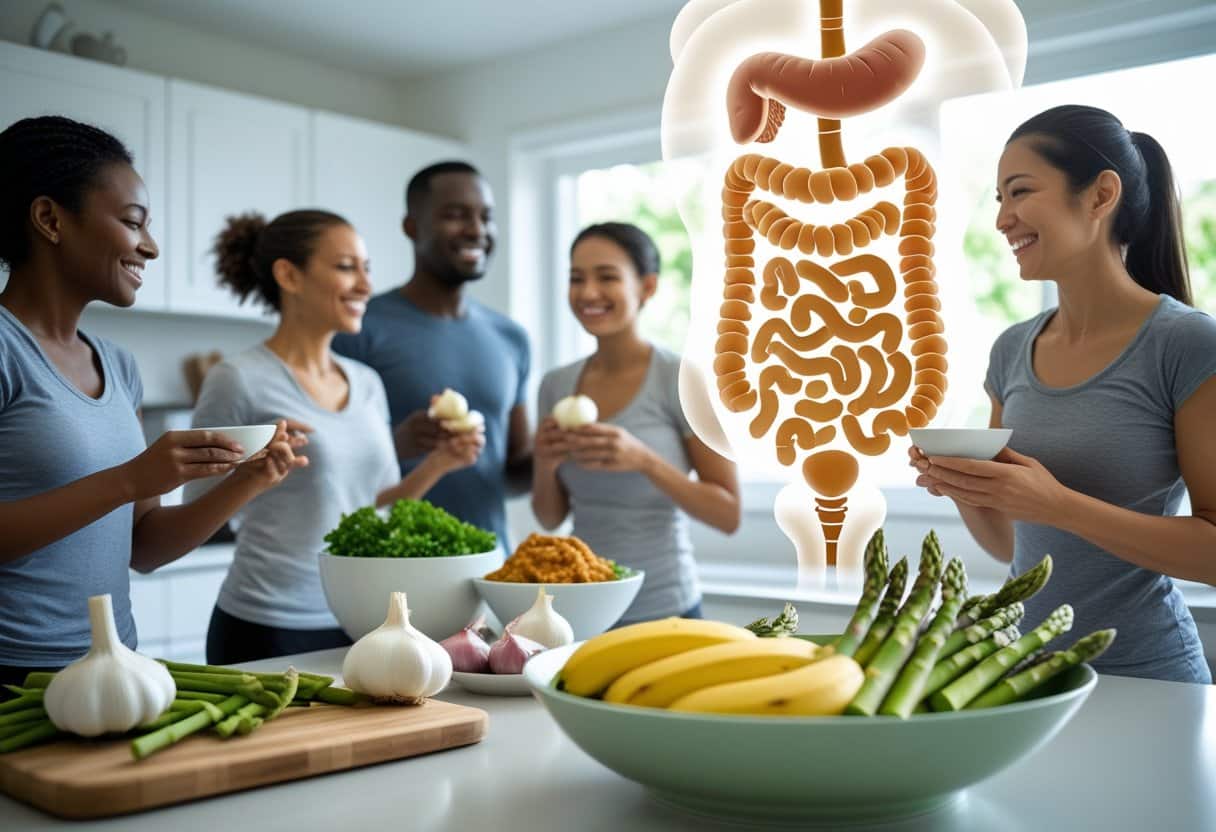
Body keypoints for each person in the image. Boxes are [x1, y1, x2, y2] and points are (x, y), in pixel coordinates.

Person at [912, 105, 1216, 683]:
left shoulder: (1187, 343)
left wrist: (1057, 503)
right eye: (998, 198)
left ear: (1101, 196)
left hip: (1149, 678)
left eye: (1020, 191)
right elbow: (1010, 544)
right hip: (1027, 676)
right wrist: (962, 486)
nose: (1002, 219)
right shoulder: (1011, 350)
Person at [0, 116, 299, 688]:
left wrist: (248, 480)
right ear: (50, 220)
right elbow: (125, 487)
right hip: (14, 674)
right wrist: (130, 479)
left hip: (114, 665)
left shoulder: (118, 365)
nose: (151, 247)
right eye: (133, 223)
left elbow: (145, 547)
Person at [190, 209, 485, 664]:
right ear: (289, 275)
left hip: (361, 620)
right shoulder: (238, 379)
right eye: (347, 267)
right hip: (267, 624)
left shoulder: (366, 382)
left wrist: (439, 464)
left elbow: (376, 511)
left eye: (367, 268)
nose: (366, 285)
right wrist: (253, 476)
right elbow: (196, 520)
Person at [532, 222, 741, 622]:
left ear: (647, 287)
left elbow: (728, 515)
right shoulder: (555, 386)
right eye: (576, 279)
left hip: (667, 610)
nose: (588, 292)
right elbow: (550, 516)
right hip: (583, 609)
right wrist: (545, 462)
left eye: (607, 277)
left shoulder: (681, 379)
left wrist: (645, 460)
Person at [332, 162, 530, 550]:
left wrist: (561, 454)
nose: (476, 230)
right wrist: (396, 444)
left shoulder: (511, 338)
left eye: (486, 217)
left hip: (491, 563)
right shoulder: (359, 329)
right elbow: (328, 470)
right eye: (456, 215)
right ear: (412, 226)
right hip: (390, 562)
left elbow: (512, 472)